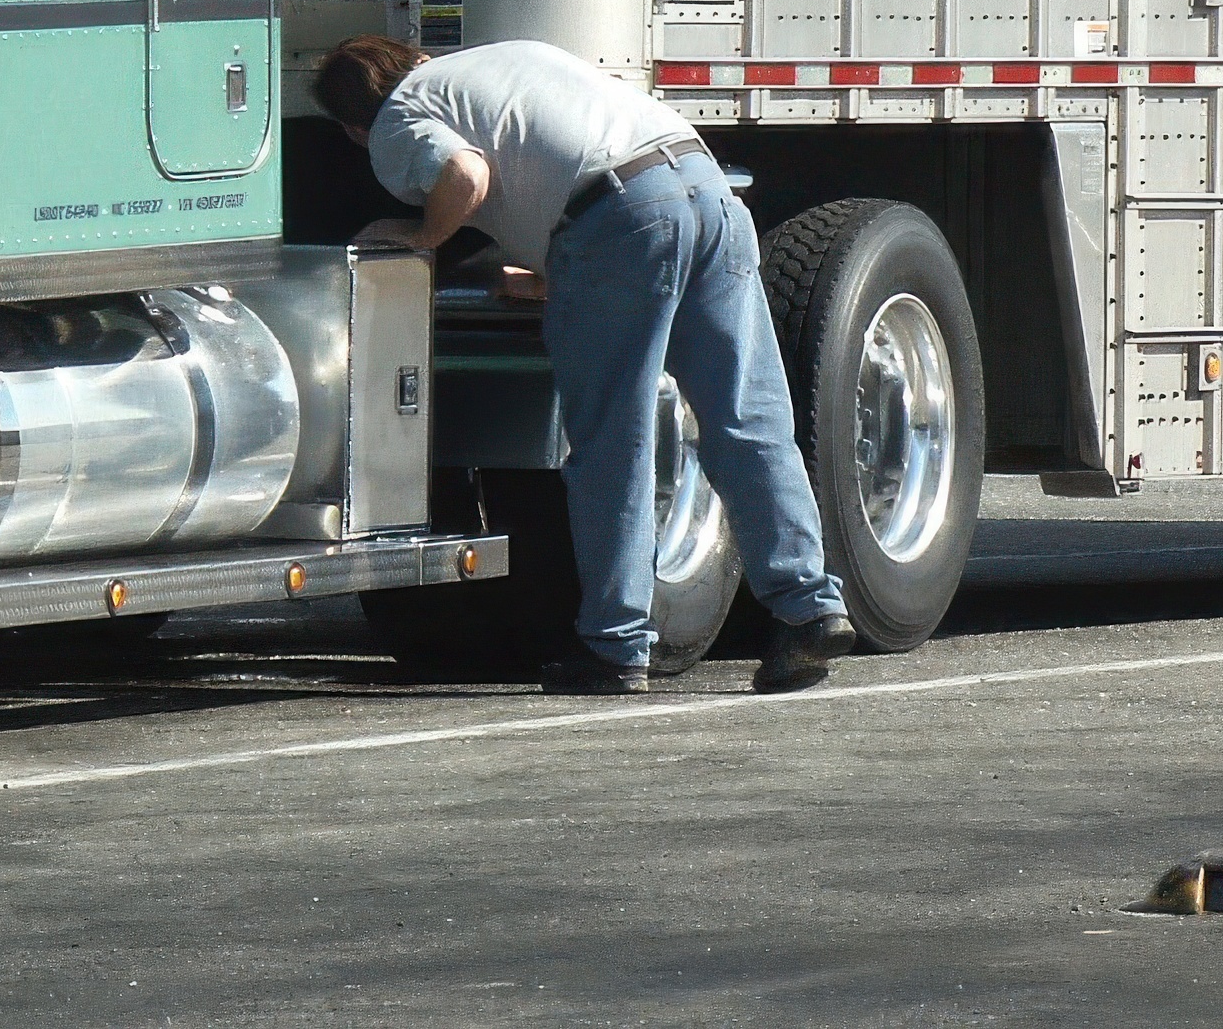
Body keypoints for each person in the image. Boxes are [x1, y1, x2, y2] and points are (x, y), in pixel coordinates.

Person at [314, 34, 855, 695]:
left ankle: (617, 646)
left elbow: (465, 176)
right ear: (415, 55)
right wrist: (558, 277)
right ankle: (810, 608)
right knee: (747, 420)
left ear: (349, 126)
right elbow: (576, 187)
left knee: (612, 445)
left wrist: (419, 238)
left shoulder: (396, 120)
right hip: (705, 191)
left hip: (619, 217)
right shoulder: (509, 57)